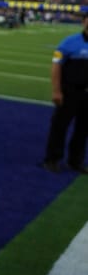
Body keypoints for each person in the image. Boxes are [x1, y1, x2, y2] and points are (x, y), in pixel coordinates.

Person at [41, 13, 88, 173]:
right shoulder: (69, 42)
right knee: (60, 126)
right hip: (70, 92)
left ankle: (75, 161)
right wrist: (56, 91)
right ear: (83, 21)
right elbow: (56, 66)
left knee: (83, 129)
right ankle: (52, 159)